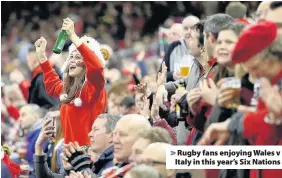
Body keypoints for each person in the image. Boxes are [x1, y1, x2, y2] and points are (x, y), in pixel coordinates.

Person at [200, 20, 282, 178]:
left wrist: (237, 124)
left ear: (274, 58)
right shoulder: (269, 85)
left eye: (256, 68)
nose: (256, 75)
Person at [34, 18, 111, 146]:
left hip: (88, 156)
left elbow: (97, 68)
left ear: (88, 61)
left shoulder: (93, 88)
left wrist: (74, 37)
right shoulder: (70, 90)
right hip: (69, 155)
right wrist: (42, 57)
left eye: (78, 57)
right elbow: (53, 84)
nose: (73, 61)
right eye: (71, 57)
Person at [34, 114, 121, 178]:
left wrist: (81, 165)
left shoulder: (116, 163)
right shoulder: (99, 161)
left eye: (96, 130)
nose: (90, 134)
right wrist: (39, 146)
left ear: (111, 136)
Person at [160, 15, 199, 82]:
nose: (189, 32)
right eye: (185, 29)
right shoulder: (173, 47)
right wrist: (173, 75)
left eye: (193, 28)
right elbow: (160, 74)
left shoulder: (204, 47)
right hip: (177, 89)